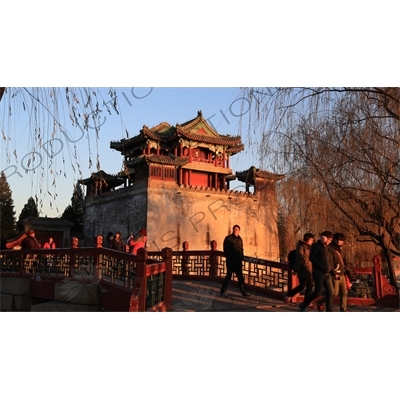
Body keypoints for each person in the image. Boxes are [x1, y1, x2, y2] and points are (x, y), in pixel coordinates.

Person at [299, 231, 334, 312]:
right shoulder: (316, 246)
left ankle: (329, 311)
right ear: (323, 238)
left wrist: (332, 270)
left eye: (331, 240)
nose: (330, 241)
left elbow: (329, 260)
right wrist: (321, 266)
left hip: (327, 273)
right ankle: (304, 304)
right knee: (318, 292)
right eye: (329, 239)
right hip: (318, 273)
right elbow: (312, 258)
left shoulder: (327, 248)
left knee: (330, 292)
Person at [284, 232, 315, 306]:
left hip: (310, 269)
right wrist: (295, 269)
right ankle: (289, 294)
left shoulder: (310, 247)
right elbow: (299, 259)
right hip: (303, 268)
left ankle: (307, 302)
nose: (312, 241)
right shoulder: (300, 247)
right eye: (311, 240)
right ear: (307, 239)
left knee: (310, 286)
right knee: (302, 286)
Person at [220, 224, 251, 297]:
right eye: (234, 229)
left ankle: (244, 292)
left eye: (237, 229)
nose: (235, 230)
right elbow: (226, 250)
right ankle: (223, 291)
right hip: (231, 261)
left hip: (238, 262)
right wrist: (231, 256)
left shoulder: (240, 239)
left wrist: (241, 256)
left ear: (239, 231)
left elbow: (241, 249)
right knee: (228, 277)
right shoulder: (228, 238)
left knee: (240, 278)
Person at [329, 232, 348, 312]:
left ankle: (343, 309)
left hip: (342, 274)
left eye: (342, 240)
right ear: (335, 240)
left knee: (344, 292)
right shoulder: (331, 249)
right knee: (334, 293)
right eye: (340, 240)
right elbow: (329, 262)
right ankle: (320, 301)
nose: (342, 242)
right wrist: (334, 273)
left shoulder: (340, 249)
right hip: (335, 274)